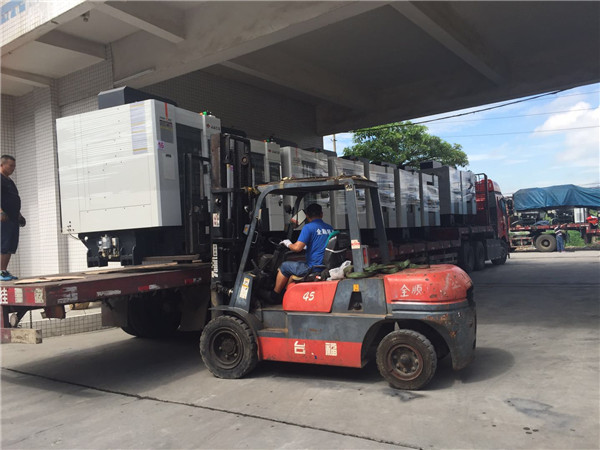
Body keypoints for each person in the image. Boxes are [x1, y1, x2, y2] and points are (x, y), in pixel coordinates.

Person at [269, 203, 333, 303]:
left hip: (313, 267)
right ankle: (286, 294)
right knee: (296, 264)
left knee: (284, 266)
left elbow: (297, 248)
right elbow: (320, 243)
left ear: (307, 216)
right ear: (321, 214)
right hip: (325, 265)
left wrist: (287, 243)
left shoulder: (308, 227)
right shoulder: (330, 228)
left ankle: (274, 296)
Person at [1, 155, 26, 281]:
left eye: (14, 166)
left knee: (11, 245)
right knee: (3, 244)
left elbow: (14, 199)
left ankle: (4, 270)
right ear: (2, 164)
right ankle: (0, 271)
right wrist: (1, 212)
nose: (13, 168)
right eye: (10, 165)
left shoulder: (9, 181)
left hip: (13, 217)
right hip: (3, 218)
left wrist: (19, 215)